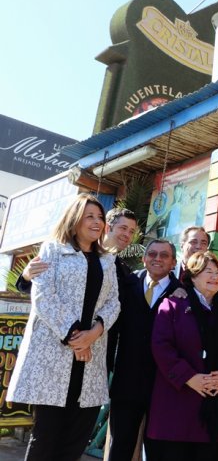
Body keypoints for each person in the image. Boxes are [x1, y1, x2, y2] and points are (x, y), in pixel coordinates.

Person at [7, 193, 121, 461]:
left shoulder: (108, 261)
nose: (97, 222)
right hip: (55, 360)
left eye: (100, 217)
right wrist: (75, 338)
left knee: (75, 442)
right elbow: (44, 295)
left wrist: (94, 333)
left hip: (90, 361)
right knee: (45, 440)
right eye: (89, 216)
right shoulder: (53, 250)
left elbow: (114, 302)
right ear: (74, 219)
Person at [147, 251, 218, 461]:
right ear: (193, 276)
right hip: (179, 405)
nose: (215, 276)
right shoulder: (172, 306)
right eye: (207, 271)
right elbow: (161, 347)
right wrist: (189, 378)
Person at [107, 239, 182, 460]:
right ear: (144, 258)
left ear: (173, 262)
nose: (157, 259)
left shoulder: (183, 294)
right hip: (126, 381)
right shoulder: (126, 285)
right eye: (152, 254)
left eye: (164, 255)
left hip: (163, 385)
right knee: (120, 444)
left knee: (158, 448)